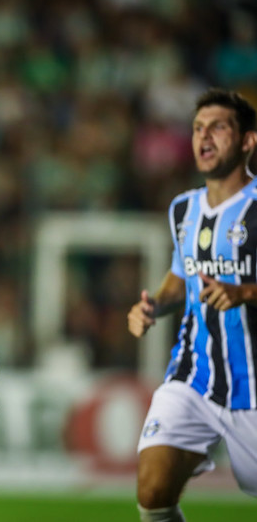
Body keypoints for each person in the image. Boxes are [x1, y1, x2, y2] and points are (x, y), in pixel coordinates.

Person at [127, 88, 257, 522]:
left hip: (253, 388)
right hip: (194, 376)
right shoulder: (184, 209)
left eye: (218, 127)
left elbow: (242, 289)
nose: (204, 136)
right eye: (199, 127)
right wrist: (153, 305)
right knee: (153, 491)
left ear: (247, 141)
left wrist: (246, 292)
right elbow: (179, 281)